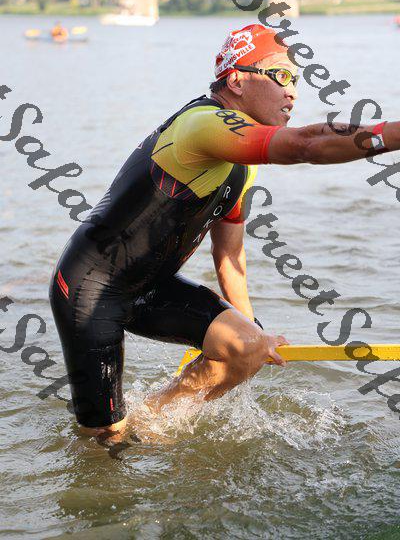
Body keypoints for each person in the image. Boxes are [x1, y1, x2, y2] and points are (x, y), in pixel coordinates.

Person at [50, 23, 394, 444]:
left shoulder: (241, 167)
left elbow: (229, 255)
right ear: (237, 80)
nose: (293, 92)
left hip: (151, 286)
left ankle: (149, 423)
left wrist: (253, 332)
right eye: (281, 76)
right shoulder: (202, 125)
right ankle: (113, 442)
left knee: (246, 349)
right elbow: (308, 144)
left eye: (296, 80)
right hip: (90, 289)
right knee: (103, 438)